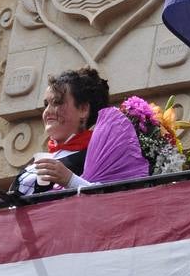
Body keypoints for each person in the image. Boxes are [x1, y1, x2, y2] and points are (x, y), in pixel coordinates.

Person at [10, 67, 146, 195]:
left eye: (57, 102)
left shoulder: (95, 155)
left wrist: (70, 180)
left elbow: (113, 201)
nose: (47, 111)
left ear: (83, 110)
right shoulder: (42, 159)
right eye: (46, 104)